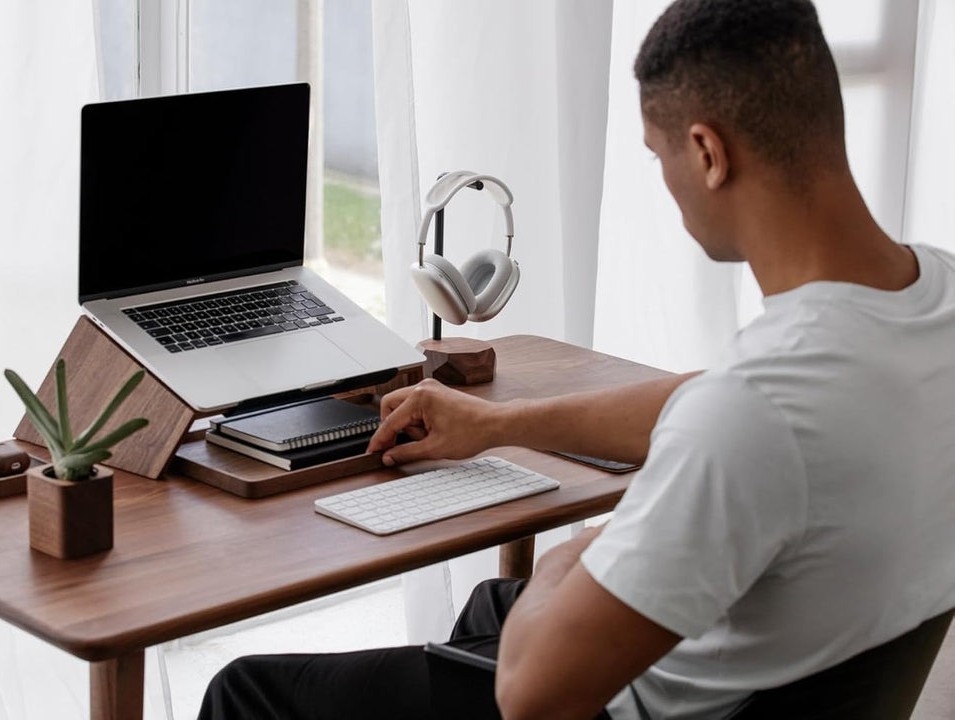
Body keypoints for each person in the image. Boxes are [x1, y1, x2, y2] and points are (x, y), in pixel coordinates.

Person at [198, 0, 955, 718]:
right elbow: (720, 401)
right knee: (488, 610)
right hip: (782, 670)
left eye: (659, 157)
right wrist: (496, 424)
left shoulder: (752, 420)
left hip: (607, 701)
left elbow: (532, 697)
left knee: (247, 692)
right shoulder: (928, 304)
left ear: (707, 152)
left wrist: (597, 545)